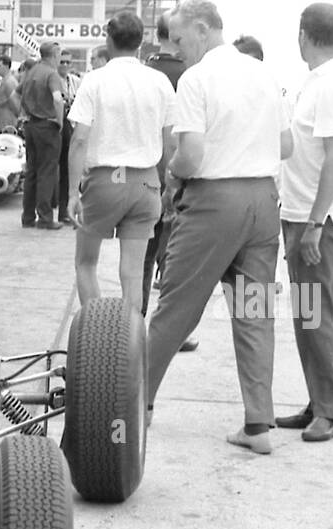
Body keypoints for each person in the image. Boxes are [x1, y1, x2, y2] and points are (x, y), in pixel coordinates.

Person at [144, 0, 292, 456]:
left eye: (183, 40)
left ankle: (132, 405)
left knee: (176, 308)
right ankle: (257, 424)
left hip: (214, 203)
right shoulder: (264, 74)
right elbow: (285, 145)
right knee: (254, 313)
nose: (179, 49)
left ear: (204, 30)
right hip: (262, 203)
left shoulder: (198, 78)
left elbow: (190, 154)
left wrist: (172, 175)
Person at [274, 2, 333, 443]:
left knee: (317, 316)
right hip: (304, 216)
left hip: (320, 222)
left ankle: (329, 411)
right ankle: (318, 401)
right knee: (308, 315)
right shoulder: (317, 82)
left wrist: (314, 224)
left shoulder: (331, 86)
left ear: (304, 35)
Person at [66, 9, 175, 325]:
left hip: (104, 182)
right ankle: (129, 341)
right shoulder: (159, 82)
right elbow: (170, 144)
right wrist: (170, 187)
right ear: (142, 43)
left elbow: (79, 140)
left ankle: (97, 332)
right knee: (132, 273)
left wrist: (73, 192)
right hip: (146, 183)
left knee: (86, 263)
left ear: (108, 40)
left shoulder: (95, 80)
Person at [141, 10, 190, 339]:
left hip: (143, 176)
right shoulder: (190, 74)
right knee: (175, 258)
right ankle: (172, 331)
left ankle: (133, 325)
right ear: (176, 34)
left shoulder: (144, 72)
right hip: (179, 176)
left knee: (141, 257)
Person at [18, 41, 64, 229]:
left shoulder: (32, 72)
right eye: (60, 54)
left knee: (32, 172)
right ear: (54, 55)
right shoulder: (51, 74)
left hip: (30, 126)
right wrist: (59, 121)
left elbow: (16, 94)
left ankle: (27, 216)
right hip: (47, 126)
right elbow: (57, 99)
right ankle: (45, 217)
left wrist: (22, 114)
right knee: (47, 171)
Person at [55, 51, 80, 224]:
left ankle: (64, 211)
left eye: (67, 62)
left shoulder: (75, 81)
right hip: (57, 128)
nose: (64, 65)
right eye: (61, 62)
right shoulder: (53, 79)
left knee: (67, 171)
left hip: (71, 128)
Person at [0, 55, 19, 132]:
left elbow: (16, 105)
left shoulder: (10, 82)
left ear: (6, 66)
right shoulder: (4, 81)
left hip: (8, 123)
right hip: (1, 121)